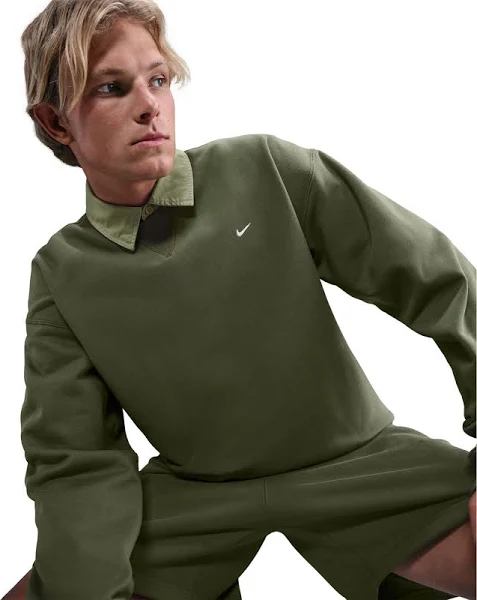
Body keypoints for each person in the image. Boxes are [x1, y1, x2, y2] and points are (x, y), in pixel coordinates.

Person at [15, 1, 475, 599]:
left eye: (158, 79)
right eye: (112, 87)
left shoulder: (265, 169)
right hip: (196, 499)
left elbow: (439, 278)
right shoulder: (60, 274)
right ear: (55, 122)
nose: (150, 105)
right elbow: (74, 459)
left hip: (356, 465)